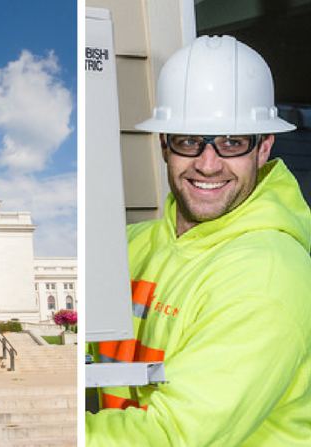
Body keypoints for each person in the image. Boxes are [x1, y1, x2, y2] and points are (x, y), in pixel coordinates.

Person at [86, 35, 311, 446]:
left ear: (263, 149)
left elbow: (173, 437)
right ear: (164, 146)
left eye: (232, 142)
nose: (208, 165)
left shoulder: (267, 276)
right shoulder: (130, 246)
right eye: (189, 140)